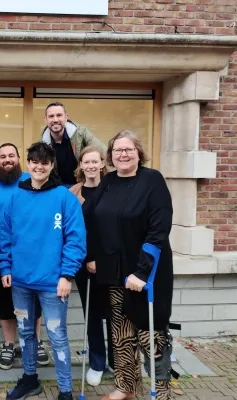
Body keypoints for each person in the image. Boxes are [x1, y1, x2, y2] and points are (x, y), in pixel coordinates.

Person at [85, 130, 174, 400]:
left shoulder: (152, 180)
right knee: (121, 333)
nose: (122, 155)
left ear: (138, 153)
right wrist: (91, 255)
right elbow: (89, 216)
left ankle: (162, 392)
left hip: (146, 275)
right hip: (114, 273)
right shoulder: (108, 181)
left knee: (151, 336)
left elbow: (159, 229)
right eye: (117, 151)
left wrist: (142, 272)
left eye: (128, 150)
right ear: (110, 156)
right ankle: (126, 386)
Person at [0, 142, 86, 400]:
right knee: (25, 332)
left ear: (51, 166)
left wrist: (67, 275)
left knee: (57, 336)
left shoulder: (64, 198)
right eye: (34, 161)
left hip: (53, 283)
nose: (39, 166)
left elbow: (76, 239)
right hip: (21, 282)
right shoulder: (15, 197)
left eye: (44, 162)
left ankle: (65, 391)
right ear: (28, 163)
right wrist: (5, 266)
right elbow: (4, 236)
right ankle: (29, 379)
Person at [0, 143, 49, 370]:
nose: (7, 159)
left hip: (31, 256)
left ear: (20, 158)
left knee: (35, 302)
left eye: (11, 155)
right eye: (3, 156)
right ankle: (9, 344)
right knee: (5, 302)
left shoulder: (35, 181)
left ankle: (36, 342)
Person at [69, 145, 114, 386]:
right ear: (81, 166)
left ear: (102, 163)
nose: (90, 166)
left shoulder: (113, 187)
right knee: (93, 314)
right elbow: (72, 230)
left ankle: (119, 361)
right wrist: (86, 259)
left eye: (95, 161)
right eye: (86, 162)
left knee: (117, 313)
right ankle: (97, 362)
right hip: (83, 264)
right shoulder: (73, 192)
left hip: (112, 262)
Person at [40, 101, 107, 187]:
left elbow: (104, 152)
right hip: (58, 188)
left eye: (59, 115)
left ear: (66, 117)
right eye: (51, 116)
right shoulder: (42, 143)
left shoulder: (81, 133)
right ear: (45, 120)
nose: (55, 120)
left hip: (83, 184)